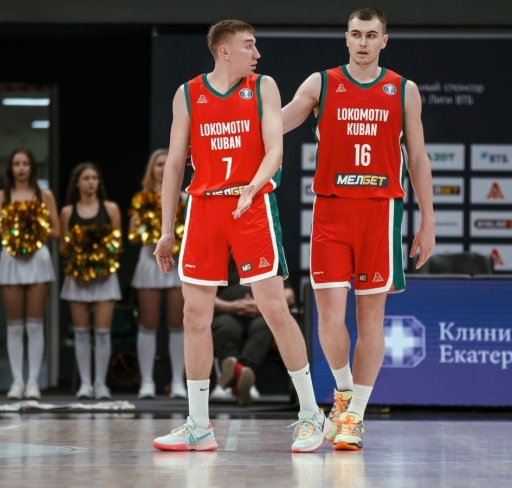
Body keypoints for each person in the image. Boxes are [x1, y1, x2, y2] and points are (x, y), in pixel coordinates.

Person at [152, 19, 327, 453]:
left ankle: (311, 414)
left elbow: (275, 148)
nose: (257, 53)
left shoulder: (263, 86)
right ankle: (198, 424)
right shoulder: (188, 94)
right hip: (204, 207)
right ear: (224, 51)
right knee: (194, 315)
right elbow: (174, 164)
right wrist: (166, 230)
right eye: (249, 45)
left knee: (274, 308)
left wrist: (254, 185)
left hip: (251, 205)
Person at [282, 7, 435, 450]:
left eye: (371, 35)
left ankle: (354, 417)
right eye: (356, 34)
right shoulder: (321, 83)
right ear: (345, 38)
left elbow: (418, 159)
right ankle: (345, 393)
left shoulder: (403, 90)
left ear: (384, 40)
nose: (363, 42)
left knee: (371, 321)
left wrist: (428, 219)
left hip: (380, 213)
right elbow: (278, 123)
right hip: (331, 211)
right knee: (329, 318)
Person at [0, 148, 61, 400]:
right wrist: (15, 224)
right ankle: (17, 381)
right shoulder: (2, 195)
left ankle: (33, 382)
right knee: (14, 325)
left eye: (25, 163)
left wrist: (33, 227)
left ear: (32, 167)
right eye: (16, 164)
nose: (21, 168)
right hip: (11, 259)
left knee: (34, 324)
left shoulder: (45, 194)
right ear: (10, 168)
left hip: (38, 259)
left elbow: (56, 231)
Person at [59, 163, 122, 399]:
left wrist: (99, 254)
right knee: (81, 331)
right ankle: (85, 384)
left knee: (103, 331)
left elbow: (117, 243)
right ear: (77, 183)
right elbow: (63, 248)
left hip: (104, 277)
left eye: (95, 178)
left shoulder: (111, 209)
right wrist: (81, 253)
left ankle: (100, 384)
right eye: (86, 178)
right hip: (78, 278)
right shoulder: (68, 212)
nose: (91, 182)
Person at [128, 149, 187, 400]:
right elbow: (132, 234)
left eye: (166, 164)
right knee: (148, 322)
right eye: (158, 164)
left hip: (175, 262)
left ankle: (178, 382)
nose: (162, 169)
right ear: (151, 169)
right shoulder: (141, 199)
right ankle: (147, 382)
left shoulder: (184, 198)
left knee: (177, 322)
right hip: (148, 261)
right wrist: (150, 233)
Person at [210, 256, 296, 405]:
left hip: (262, 313)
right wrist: (232, 306)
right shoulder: (217, 257)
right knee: (225, 328)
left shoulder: (268, 255)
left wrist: (261, 305)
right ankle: (240, 377)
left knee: (266, 326)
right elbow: (204, 296)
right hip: (227, 312)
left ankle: (238, 373)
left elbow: (289, 295)